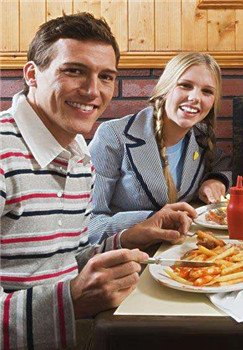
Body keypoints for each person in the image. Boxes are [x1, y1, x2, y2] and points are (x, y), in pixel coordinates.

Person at [0, 13, 196, 349]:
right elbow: (67, 292)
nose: (93, 91)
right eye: (74, 70)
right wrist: (70, 302)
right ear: (32, 75)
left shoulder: (78, 152)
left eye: (106, 76)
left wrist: (129, 237)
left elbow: (67, 259)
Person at [88, 52, 231, 244]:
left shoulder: (200, 136)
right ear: (165, 88)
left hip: (177, 254)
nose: (195, 97)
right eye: (185, 86)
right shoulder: (113, 136)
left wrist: (216, 179)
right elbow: (88, 223)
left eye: (207, 91)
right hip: (126, 259)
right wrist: (151, 219)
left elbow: (223, 163)